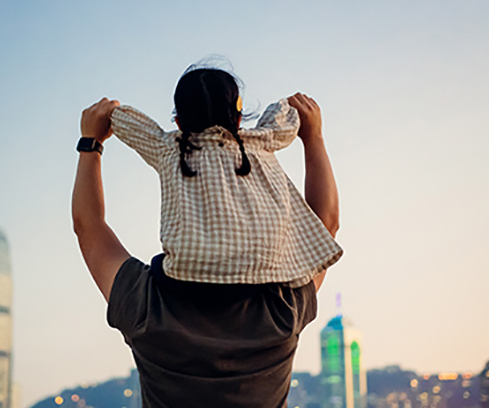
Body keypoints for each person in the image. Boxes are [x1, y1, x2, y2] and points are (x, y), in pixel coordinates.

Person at [72, 69, 341, 408]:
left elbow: (89, 227)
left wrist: (90, 145)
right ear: (240, 117)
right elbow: (325, 226)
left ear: (177, 120)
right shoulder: (281, 307)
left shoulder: (147, 302)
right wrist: (313, 140)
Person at [108, 64, 342, 286]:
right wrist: (311, 132)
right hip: (268, 281)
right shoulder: (260, 141)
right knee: (322, 231)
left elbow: (131, 125)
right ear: (239, 119)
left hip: (183, 283)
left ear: (179, 122)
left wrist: (110, 114)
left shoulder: (168, 148)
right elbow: (284, 122)